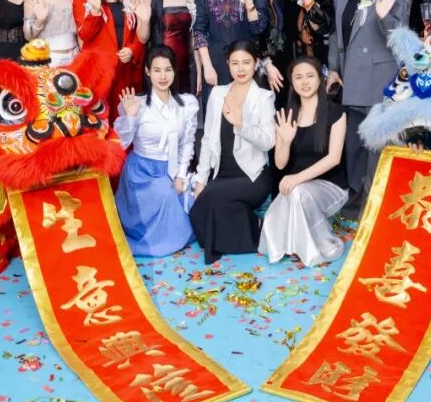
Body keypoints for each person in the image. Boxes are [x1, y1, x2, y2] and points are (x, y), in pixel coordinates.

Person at [327, 0, 407, 217]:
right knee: (353, 147)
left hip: (378, 77)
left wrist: (384, 16)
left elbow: (400, 40)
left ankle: (374, 207)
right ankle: (355, 201)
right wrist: (333, 69)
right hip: (349, 78)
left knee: (377, 147)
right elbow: (336, 34)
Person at [191, 41, 275, 264]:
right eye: (235, 63)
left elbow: (268, 142)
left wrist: (241, 125)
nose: (241, 68)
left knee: (212, 199)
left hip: (253, 177)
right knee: (198, 210)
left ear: (255, 64)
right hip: (222, 175)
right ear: (227, 64)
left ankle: (250, 234)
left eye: (246, 62)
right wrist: (201, 180)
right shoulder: (217, 94)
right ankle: (255, 225)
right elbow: (207, 139)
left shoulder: (264, 97)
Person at [259, 58, 349, 266]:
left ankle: (319, 247)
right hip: (298, 188)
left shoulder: (335, 112)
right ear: (292, 82)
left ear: (320, 79)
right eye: (298, 77)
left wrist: (297, 178)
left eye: (310, 76)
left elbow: (334, 158)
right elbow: (280, 165)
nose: (305, 82)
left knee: (297, 192)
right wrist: (285, 141)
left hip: (332, 187)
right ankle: (296, 245)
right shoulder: (286, 115)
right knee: (292, 196)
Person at [113, 46, 199, 257]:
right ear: (147, 71)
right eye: (157, 70)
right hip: (141, 172)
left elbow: (187, 144)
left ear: (174, 71)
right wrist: (130, 116)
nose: (163, 76)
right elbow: (121, 143)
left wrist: (180, 176)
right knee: (166, 196)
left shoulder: (187, 104)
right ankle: (153, 242)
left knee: (195, 200)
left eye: (168, 70)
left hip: (171, 168)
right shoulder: (137, 104)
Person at [73, 0, 150, 115]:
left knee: (127, 118)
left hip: (127, 68)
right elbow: (84, 35)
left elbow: (140, 29)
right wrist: (94, 12)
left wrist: (133, 49)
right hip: (99, 70)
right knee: (99, 119)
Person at [263, 0, 332, 108]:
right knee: (282, 116)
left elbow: (326, 27)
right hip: (278, 70)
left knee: (312, 115)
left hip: (311, 68)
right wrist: (267, 64)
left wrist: (308, 0)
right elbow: (262, 30)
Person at [143, 0, 197, 94]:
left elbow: (196, 36)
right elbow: (143, 39)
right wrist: (144, 20)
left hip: (188, 66)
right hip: (158, 69)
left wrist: (199, 69)